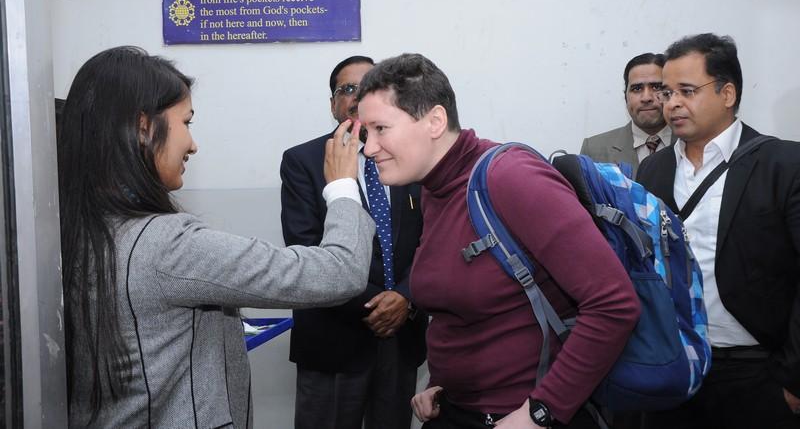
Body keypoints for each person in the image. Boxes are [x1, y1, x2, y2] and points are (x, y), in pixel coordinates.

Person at [58, 46, 375, 428]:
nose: (192, 144)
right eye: (186, 122)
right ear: (144, 127)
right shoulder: (165, 245)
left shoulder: (86, 229)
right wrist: (342, 186)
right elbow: (339, 272)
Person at [356, 53, 641, 428]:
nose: (369, 147)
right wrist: (442, 383)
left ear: (435, 121)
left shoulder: (511, 176)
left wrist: (541, 411)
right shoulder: (434, 189)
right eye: (366, 133)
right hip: (457, 408)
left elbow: (614, 304)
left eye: (380, 129)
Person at [637, 33, 800, 429]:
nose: (671, 103)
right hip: (673, 368)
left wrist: (793, 378)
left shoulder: (783, 164)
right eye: (667, 92)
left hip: (757, 372)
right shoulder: (653, 170)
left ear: (727, 94)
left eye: (687, 91)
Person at [280, 55, 427, 429]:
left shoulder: (411, 158)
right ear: (333, 104)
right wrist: (378, 308)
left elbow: (432, 239)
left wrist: (405, 297)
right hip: (333, 338)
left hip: (402, 335)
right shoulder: (302, 161)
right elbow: (306, 249)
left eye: (369, 87)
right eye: (348, 89)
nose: (358, 96)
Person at [581, 53, 671, 175]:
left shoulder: (691, 143)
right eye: (637, 89)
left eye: (656, 87)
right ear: (625, 97)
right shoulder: (594, 149)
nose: (646, 98)